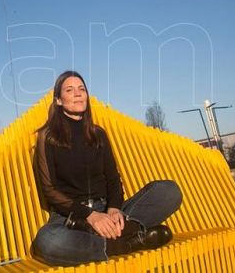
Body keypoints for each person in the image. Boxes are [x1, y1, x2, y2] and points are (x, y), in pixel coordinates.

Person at [31, 70, 182, 266]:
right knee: (48, 242)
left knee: (169, 191)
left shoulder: (98, 134)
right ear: (58, 100)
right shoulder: (48, 137)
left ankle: (114, 231)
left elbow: (113, 178)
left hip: (109, 210)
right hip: (70, 217)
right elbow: (50, 190)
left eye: (81, 89)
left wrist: (114, 209)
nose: (77, 93)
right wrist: (90, 216)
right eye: (69, 90)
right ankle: (126, 242)